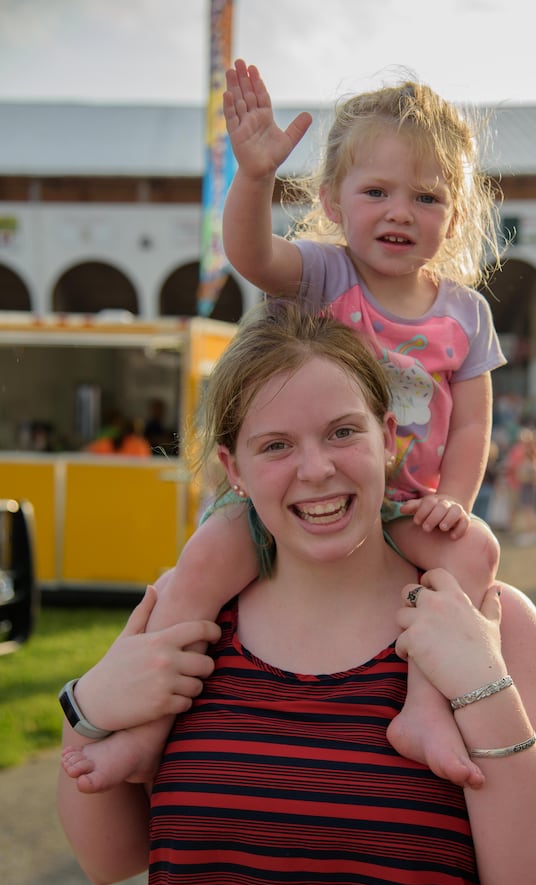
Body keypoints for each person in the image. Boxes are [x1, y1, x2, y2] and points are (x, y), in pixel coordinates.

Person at [58, 302, 536, 885]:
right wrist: (89, 711)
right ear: (233, 466)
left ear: (387, 438)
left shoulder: (491, 620)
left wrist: (480, 686)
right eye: (276, 445)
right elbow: (105, 857)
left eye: (342, 432)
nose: (316, 469)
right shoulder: (189, 621)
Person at [61, 59, 507, 792]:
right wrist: (256, 176)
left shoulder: (466, 313)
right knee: (204, 563)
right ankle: (144, 727)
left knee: (476, 555)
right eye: (377, 192)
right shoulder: (327, 276)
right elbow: (252, 254)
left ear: (456, 216)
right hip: (293, 497)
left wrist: (453, 502)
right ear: (331, 200)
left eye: (426, 197)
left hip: (401, 506)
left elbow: (470, 427)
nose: (400, 212)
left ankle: (425, 707)